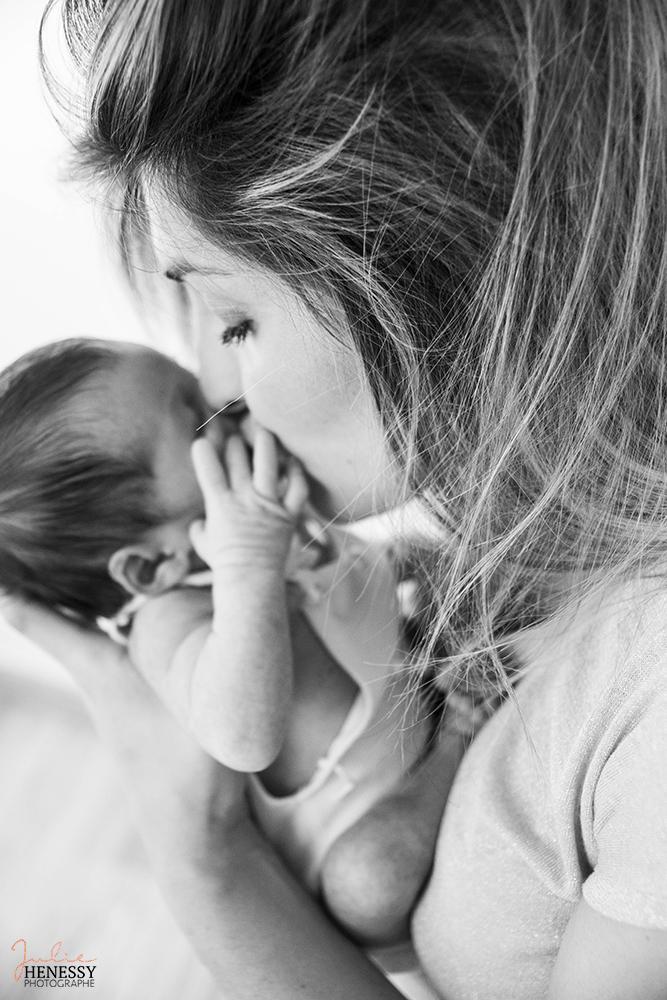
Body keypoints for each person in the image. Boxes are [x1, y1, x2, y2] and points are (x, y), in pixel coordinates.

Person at [12, 0, 667, 996]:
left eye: (232, 320)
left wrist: (204, 855)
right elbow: (254, 716)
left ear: (439, 277)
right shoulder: (516, 517)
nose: (221, 399)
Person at [0, 336, 451, 957]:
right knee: (366, 883)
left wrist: (401, 563)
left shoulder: (261, 520)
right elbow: (241, 737)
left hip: (409, 695)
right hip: (371, 828)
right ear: (150, 568)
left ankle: (455, 710)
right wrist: (249, 565)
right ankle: (462, 735)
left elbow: (350, 581)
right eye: (195, 416)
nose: (225, 401)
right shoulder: (169, 621)